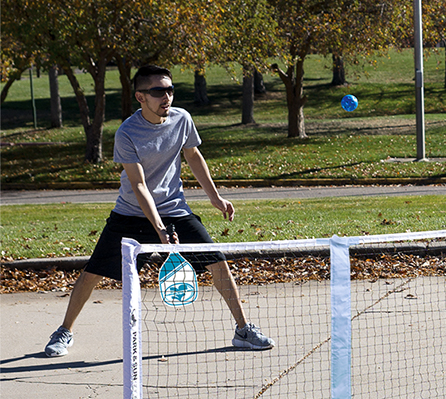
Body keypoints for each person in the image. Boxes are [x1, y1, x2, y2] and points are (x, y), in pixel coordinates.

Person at [44, 65, 274, 357]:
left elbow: (193, 155)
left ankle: (243, 330)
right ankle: (64, 331)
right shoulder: (127, 132)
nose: (166, 96)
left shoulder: (182, 119)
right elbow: (138, 185)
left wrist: (214, 197)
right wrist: (160, 231)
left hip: (175, 210)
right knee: (94, 272)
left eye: (169, 89)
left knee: (217, 261)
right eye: (158, 91)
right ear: (141, 97)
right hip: (130, 213)